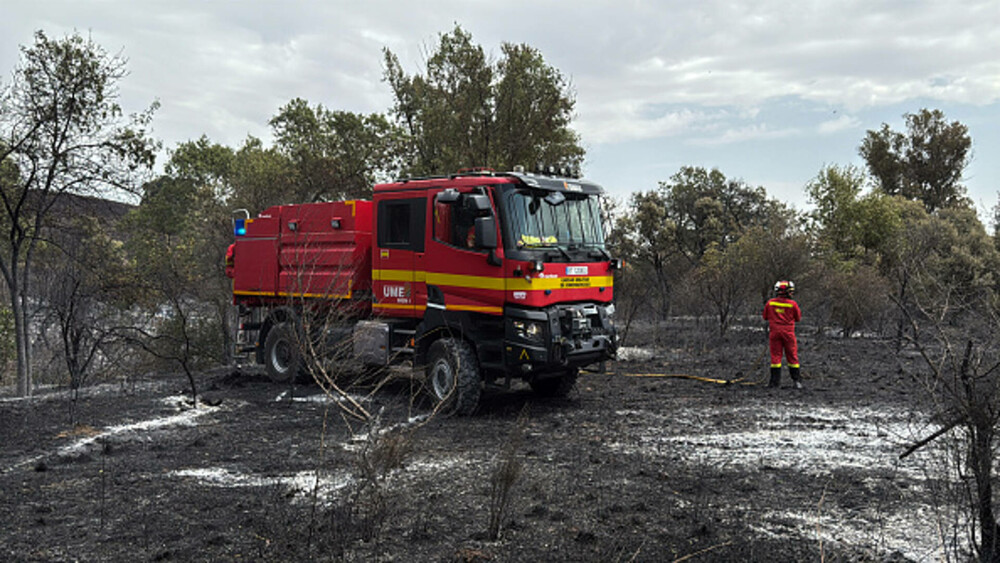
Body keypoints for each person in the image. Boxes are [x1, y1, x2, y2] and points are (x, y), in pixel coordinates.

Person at [762, 280, 802, 388]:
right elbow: (798, 318)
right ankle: (797, 381)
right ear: (788, 292)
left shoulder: (770, 303)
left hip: (774, 333)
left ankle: (774, 382)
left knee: (776, 357)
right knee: (792, 356)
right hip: (788, 334)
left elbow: (765, 317)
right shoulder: (793, 304)